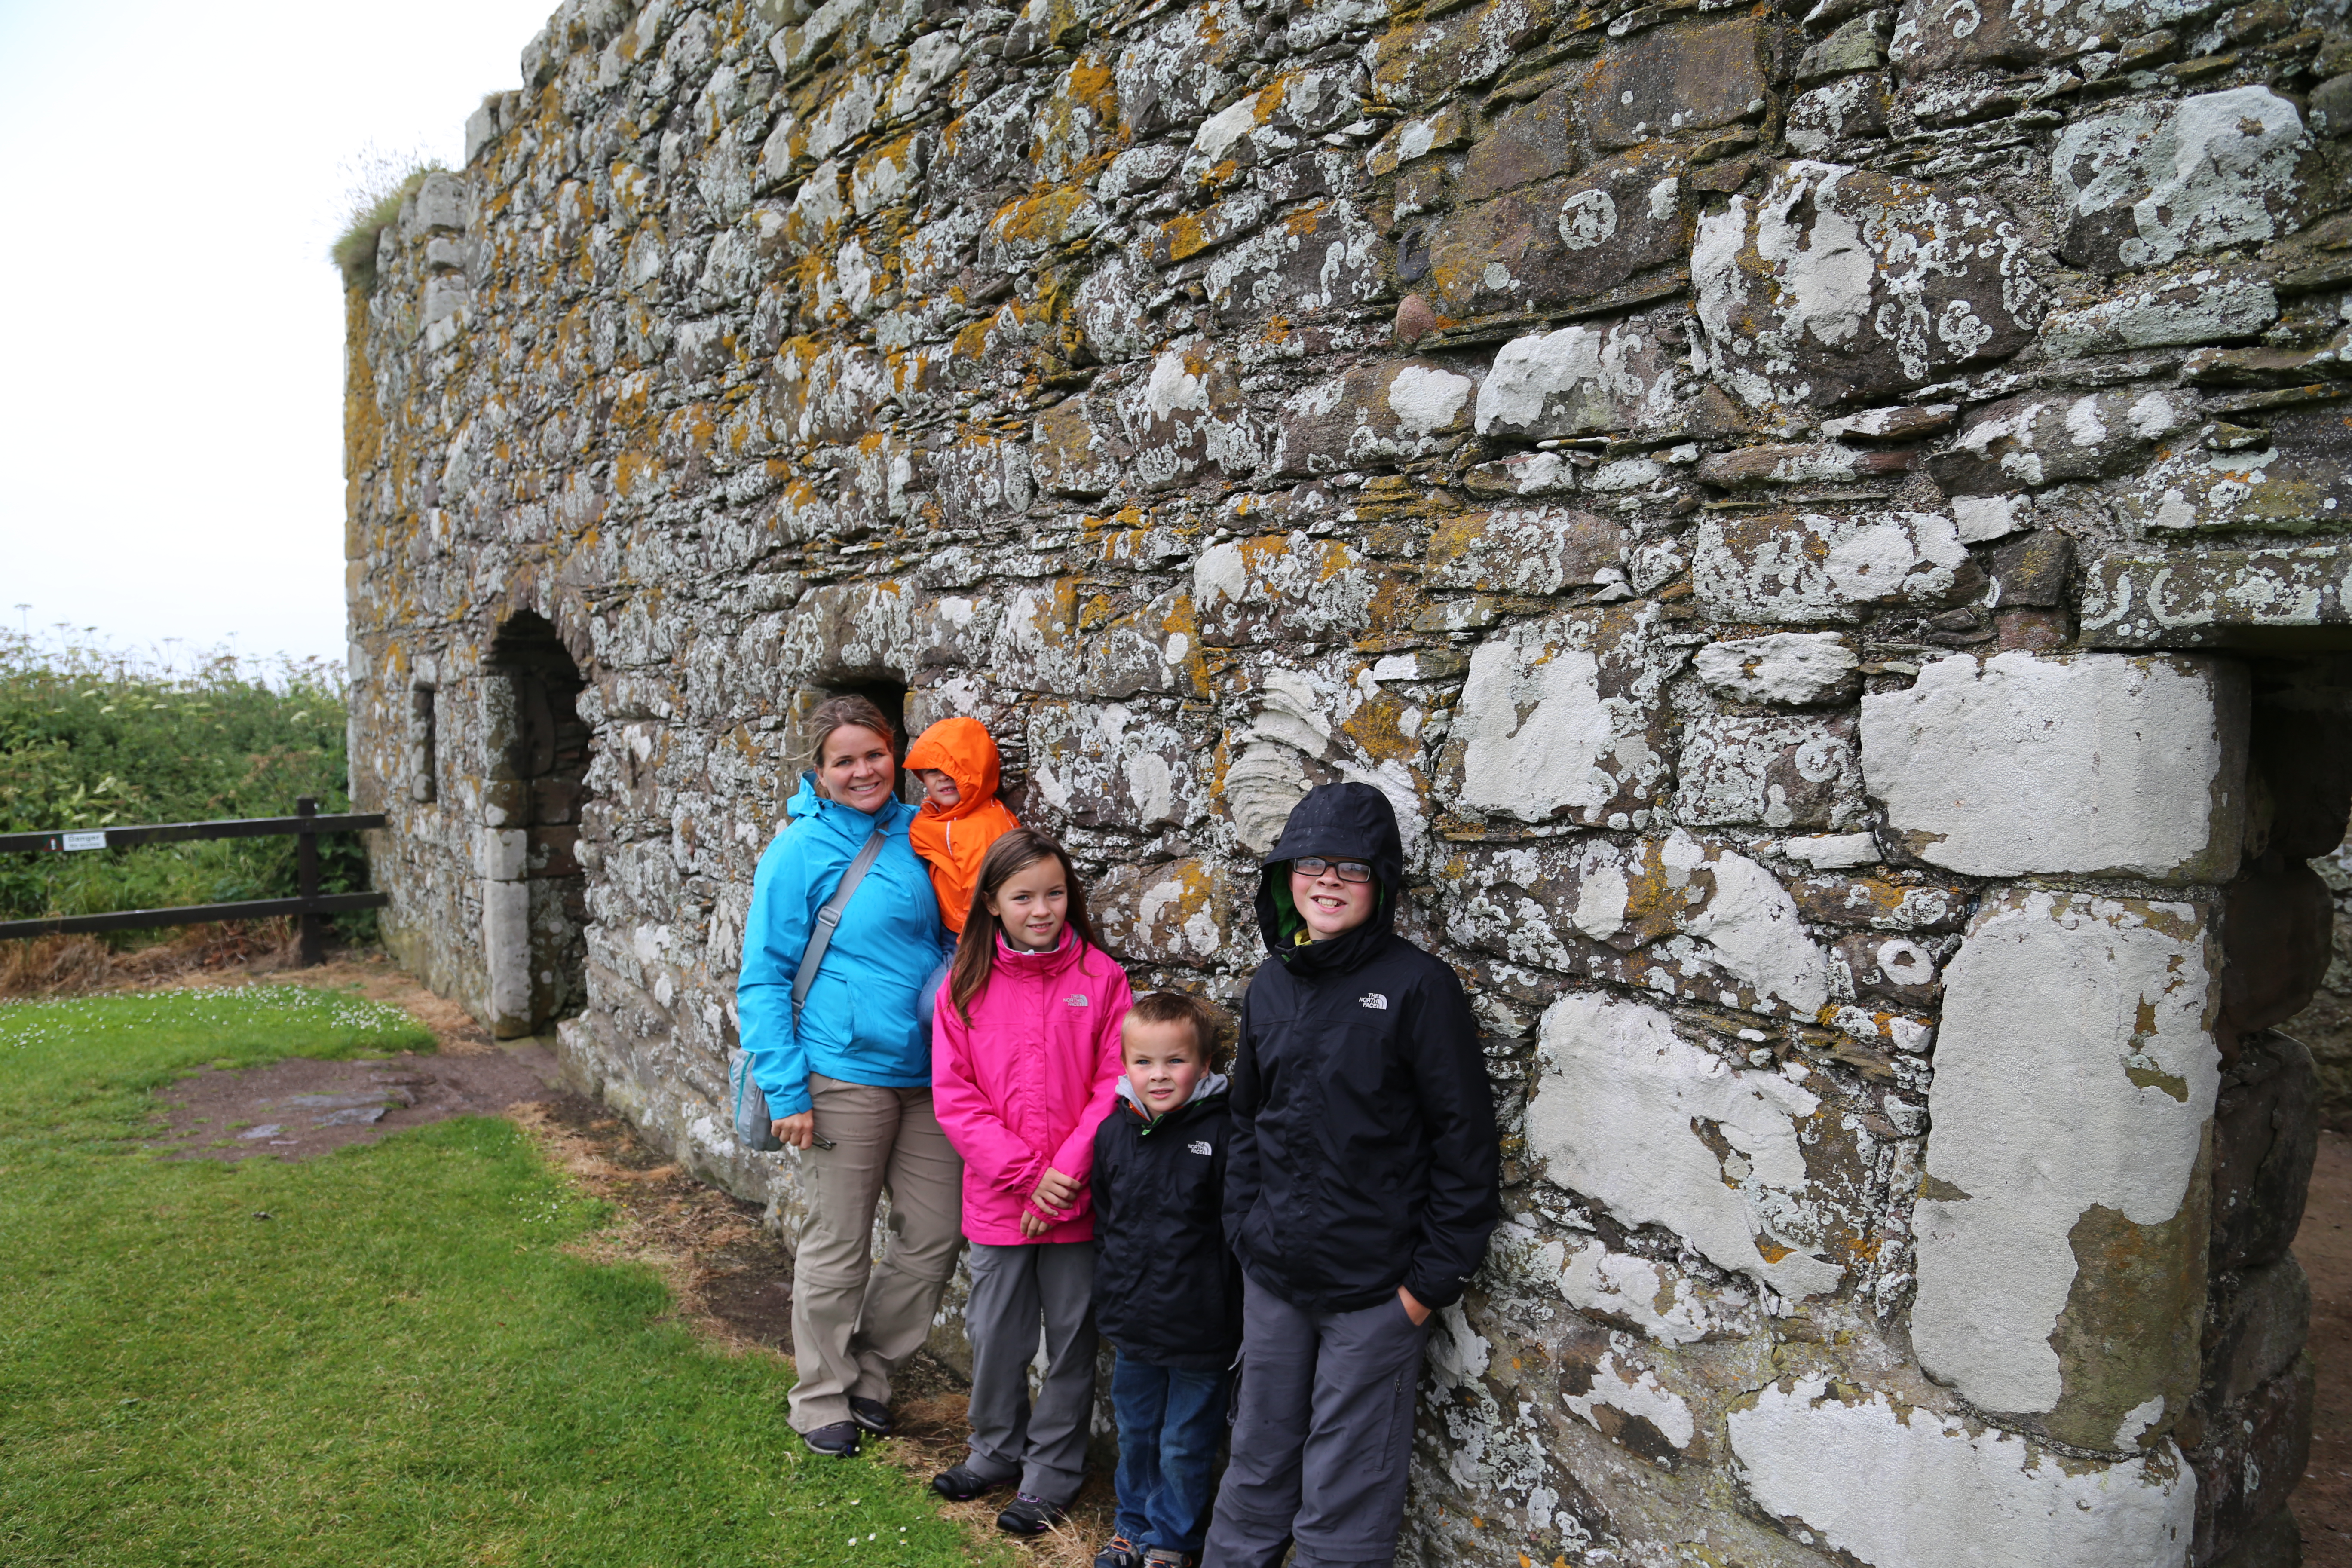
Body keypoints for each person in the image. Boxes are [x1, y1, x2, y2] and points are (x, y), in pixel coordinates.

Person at [1202, 781, 1500, 1568]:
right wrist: (1245, 1232)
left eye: (1352, 868)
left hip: (1375, 1287)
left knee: (1346, 1476)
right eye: (1310, 863)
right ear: (1282, 876)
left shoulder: (1418, 988)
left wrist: (1423, 1287)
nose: (1327, 880)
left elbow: (1464, 1147)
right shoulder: (1270, 984)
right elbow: (1246, 1120)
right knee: (1258, 1446)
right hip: (1274, 1274)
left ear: (1383, 883)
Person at [737, 695, 962, 1459]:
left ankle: (870, 1369)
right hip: (841, 1072)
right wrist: (789, 1088)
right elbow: (764, 978)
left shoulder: (922, 832)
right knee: (840, 1240)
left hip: (929, 1070)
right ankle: (819, 1394)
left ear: (894, 753)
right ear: (819, 771)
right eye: (844, 759)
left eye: (873, 754)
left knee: (932, 1235)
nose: (863, 770)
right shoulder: (798, 850)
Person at [929, 828, 1132, 1535]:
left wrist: (1066, 1176)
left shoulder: (1101, 979)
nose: (1041, 908)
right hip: (1000, 1196)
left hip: (1076, 1198)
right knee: (995, 1331)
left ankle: (1051, 1472)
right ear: (991, 902)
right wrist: (1025, 1178)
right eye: (1022, 896)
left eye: (1054, 893)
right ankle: (993, 1449)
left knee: (1071, 1337)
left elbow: (1116, 1082)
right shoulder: (964, 983)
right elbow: (956, 1096)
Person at [1090, 991, 1240, 1568]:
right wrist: (1114, 1292)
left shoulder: (1222, 1136)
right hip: (1134, 1325)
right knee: (1138, 1434)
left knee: (1184, 1444)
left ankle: (1172, 1540)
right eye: (1143, 1062)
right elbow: (1107, 1222)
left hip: (1201, 1328)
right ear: (1125, 1065)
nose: (1159, 1076)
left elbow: (1234, 1233)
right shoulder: (1113, 1134)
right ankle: (1131, 1526)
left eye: (1175, 1061)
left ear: (1204, 1066)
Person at [905, 714, 1023, 934]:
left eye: (957, 768)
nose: (944, 777)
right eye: (932, 770)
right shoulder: (938, 815)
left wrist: (970, 942)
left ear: (980, 770)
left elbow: (980, 890)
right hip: (946, 922)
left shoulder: (984, 827)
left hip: (969, 932)